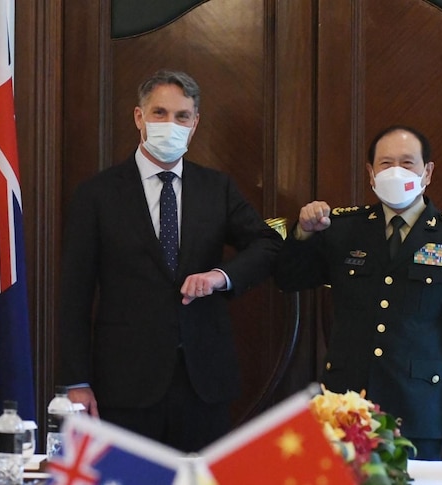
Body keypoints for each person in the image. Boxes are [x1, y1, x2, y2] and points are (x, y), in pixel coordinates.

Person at [57, 69, 283, 452]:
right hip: (124, 385)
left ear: (194, 124)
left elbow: (267, 245)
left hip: (203, 382)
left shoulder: (217, 188)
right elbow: (73, 295)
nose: (170, 124)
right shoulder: (96, 194)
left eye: (182, 116)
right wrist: (76, 382)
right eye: (159, 113)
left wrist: (220, 276)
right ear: (138, 118)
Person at [274, 125, 442, 460]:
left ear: (427, 172)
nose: (397, 171)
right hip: (346, 406)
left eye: (407, 162)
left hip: (418, 409)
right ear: (371, 174)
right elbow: (289, 279)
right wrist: (303, 233)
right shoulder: (342, 228)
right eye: (386, 163)